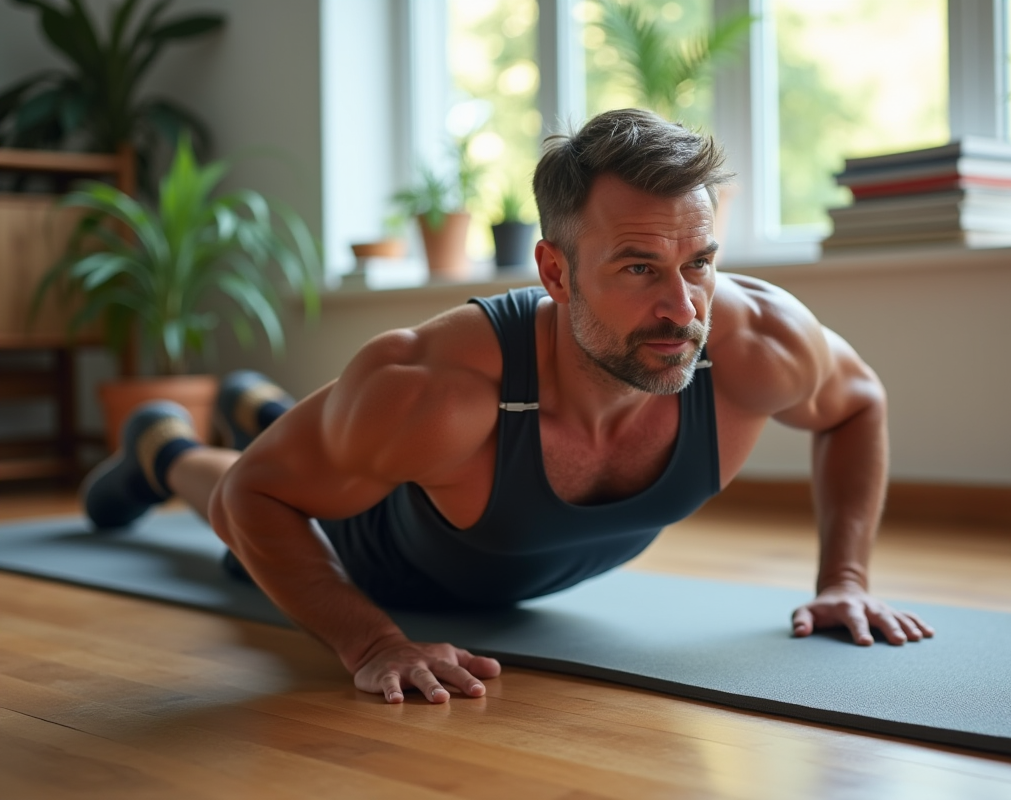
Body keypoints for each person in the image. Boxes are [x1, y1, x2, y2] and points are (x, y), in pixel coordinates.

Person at [82, 108, 933, 706]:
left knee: (298, 439)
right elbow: (252, 500)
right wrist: (374, 643)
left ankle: (261, 409)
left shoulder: (760, 342)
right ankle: (162, 446)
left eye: (700, 262)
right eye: (638, 267)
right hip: (382, 548)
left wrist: (844, 580)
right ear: (555, 273)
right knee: (241, 483)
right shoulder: (432, 388)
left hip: (477, 537)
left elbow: (857, 405)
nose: (683, 306)